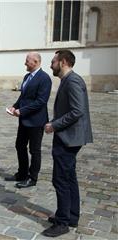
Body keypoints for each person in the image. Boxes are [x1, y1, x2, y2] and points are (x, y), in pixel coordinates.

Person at [42, 50, 93, 237]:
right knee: (69, 177)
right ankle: (71, 216)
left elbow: (77, 111)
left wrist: (54, 125)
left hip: (69, 138)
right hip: (69, 137)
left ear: (63, 62)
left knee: (60, 179)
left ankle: (63, 222)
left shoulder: (73, 81)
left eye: (53, 61)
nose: (51, 65)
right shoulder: (69, 80)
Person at [5, 52, 52, 188]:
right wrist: (14, 107)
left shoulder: (44, 78)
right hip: (24, 120)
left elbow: (41, 101)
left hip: (36, 121)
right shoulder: (27, 76)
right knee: (20, 145)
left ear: (36, 62)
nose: (25, 63)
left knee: (34, 150)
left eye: (27, 61)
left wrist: (22, 111)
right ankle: (22, 173)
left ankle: (33, 178)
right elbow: (23, 97)